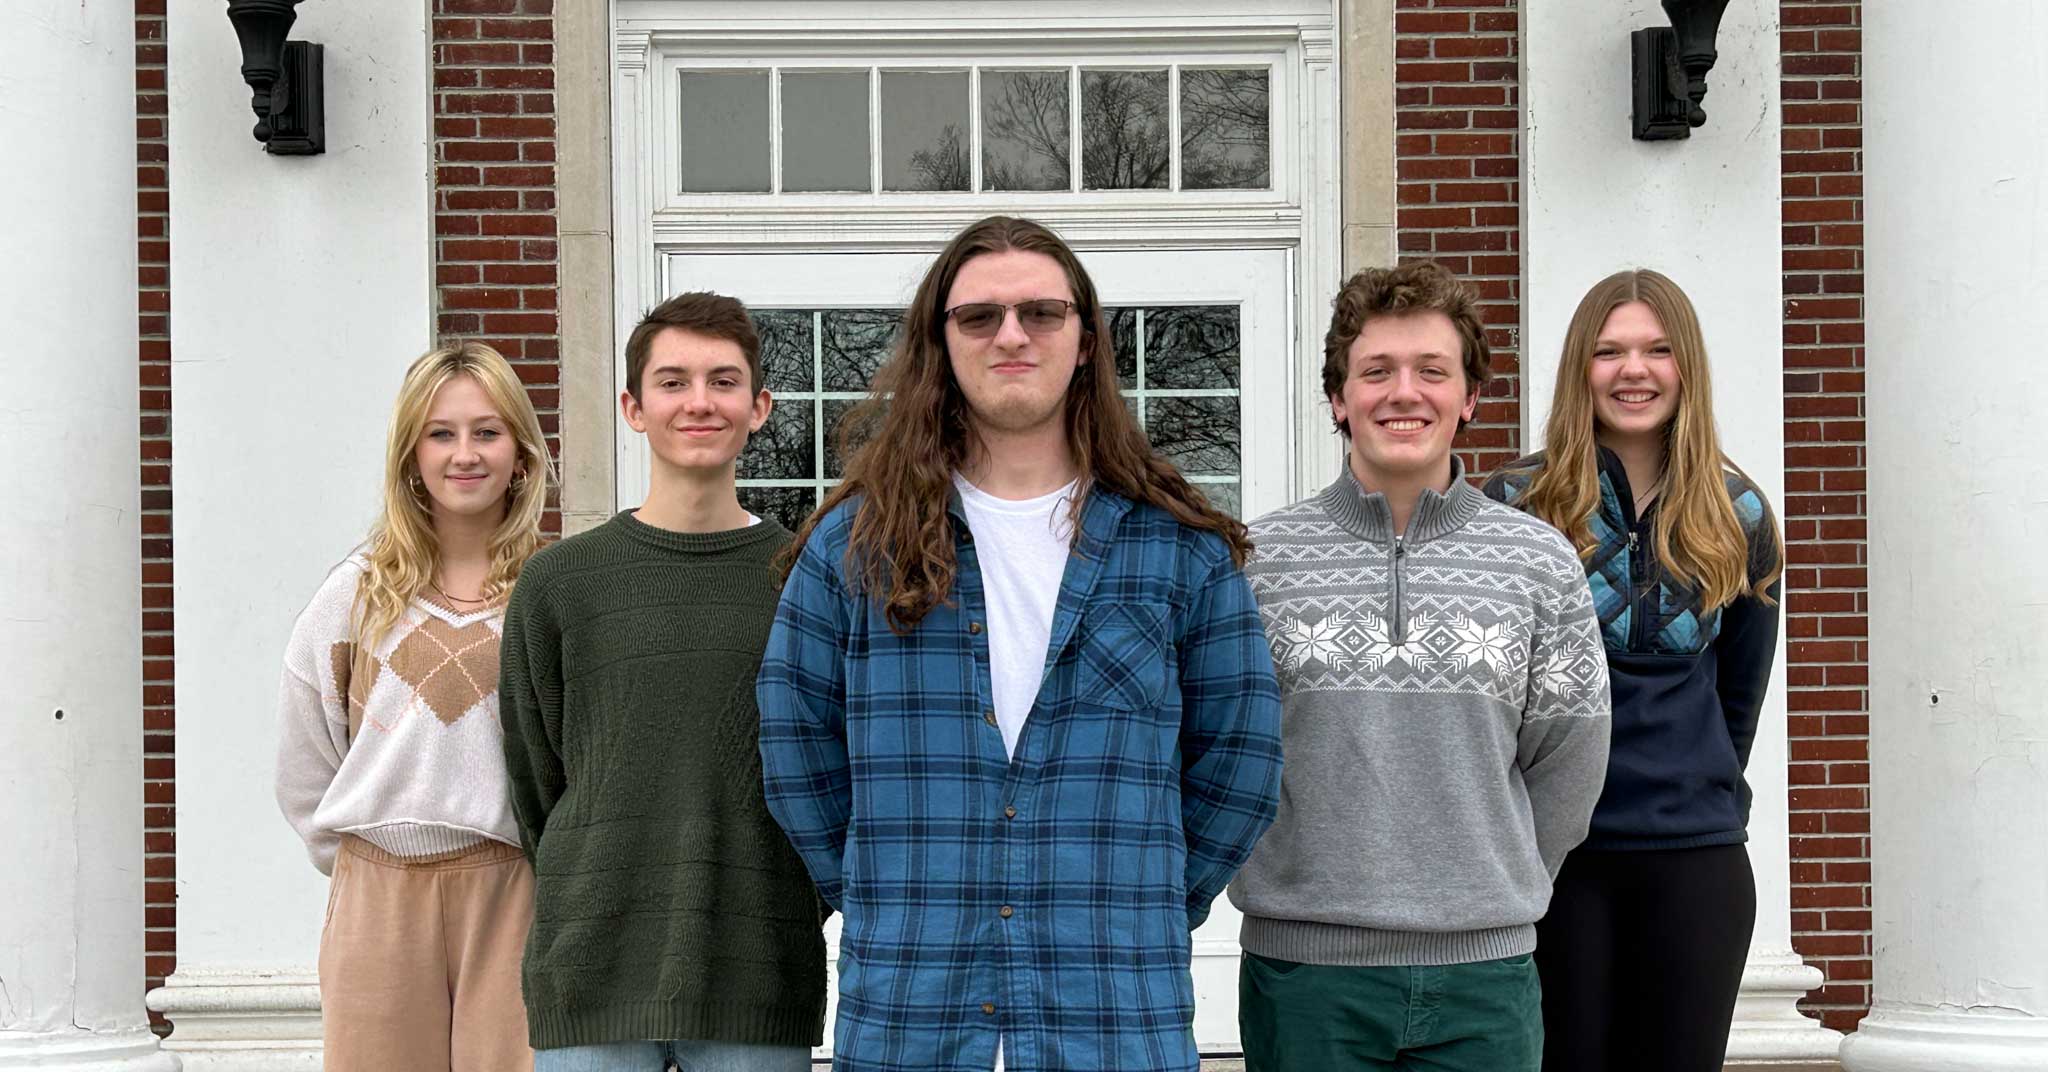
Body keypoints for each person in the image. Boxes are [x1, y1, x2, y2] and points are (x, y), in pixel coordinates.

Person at [755, 215, 1284, 1072]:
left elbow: (1241, 760)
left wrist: (1137, 901)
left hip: (1115, 1013)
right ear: (941, 342)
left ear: (1084, 341)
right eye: (979, 316)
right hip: (910, 1015)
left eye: (1041, 312)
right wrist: (892, 896)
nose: (1011, 334)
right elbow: (795, 749)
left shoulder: (1177, 547)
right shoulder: (856, 545)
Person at [1229, 261, 1611, 1072]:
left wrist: (1484, 885)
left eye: (1432, 371)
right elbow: (1223, 752)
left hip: (1485, 978)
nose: (1405, 392)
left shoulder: (1539, 563)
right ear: (1340, 398)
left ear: (1468, 398)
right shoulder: (1256, 562)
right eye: (1377, 371)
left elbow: (1570, 764)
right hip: (1307, 977)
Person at [498, 293, 827, 1071]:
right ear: (633, 407)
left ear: (760, 407)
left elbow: (833, 773)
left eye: (723, 381)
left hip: (759, 964)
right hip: (592, 968)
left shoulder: (810, 581)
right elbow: (536, 780)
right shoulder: (560, 584)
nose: (699, 402)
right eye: (673, 381)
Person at [1482, 268, 1784, 1072]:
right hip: (1556, 863)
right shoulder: (1518, 503)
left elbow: (1739, 702)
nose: (1633, 370)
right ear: (1582, 365)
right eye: (1610, 351)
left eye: (1656, 350)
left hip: (1696, 861)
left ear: (1686, 367)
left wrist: (1695, 781)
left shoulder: (1740, 514)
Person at [275, 341, 552, 1071]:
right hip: (378, 894)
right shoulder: (357, 594)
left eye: (487, 432)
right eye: (442, 433)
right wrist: (362, 861)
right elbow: (305, 755)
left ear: (520, 454)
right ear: (412, 456)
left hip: (512, 890)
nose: (466, 454)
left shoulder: (551, 593)